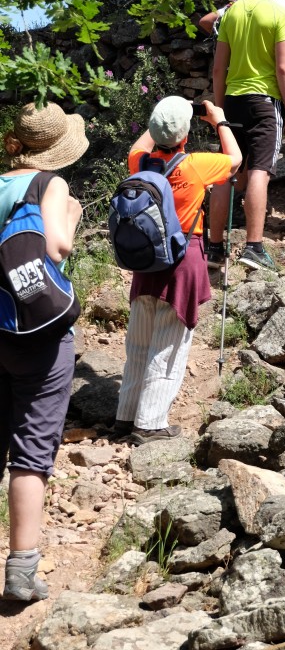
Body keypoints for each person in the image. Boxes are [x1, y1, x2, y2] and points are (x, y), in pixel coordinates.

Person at [0, 102, 89, 601]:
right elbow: (56, 247)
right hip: (38, 332)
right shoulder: (48, 185)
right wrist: (72, 221)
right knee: (31, 451)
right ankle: (21, 571)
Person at [115, 96, 241, 444]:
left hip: (145, 261)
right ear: (185, 134)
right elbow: (236, 161)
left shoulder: (139, 163)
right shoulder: (196, 165)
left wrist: (159, 115)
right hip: (181, 261)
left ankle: (125, 415)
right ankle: (151, 422)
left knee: (138, 342)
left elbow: (138, 144)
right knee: (168, 345)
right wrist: (219, 120)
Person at [209, 0, 285, 271]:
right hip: (264, 101)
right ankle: (254, 247)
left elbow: (218, 67)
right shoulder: (279, 12)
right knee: (260, 169)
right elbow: (284, 68)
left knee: (227, 170)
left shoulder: (231, 13)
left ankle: (215, 247)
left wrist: (220, 110)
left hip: (231, 100)